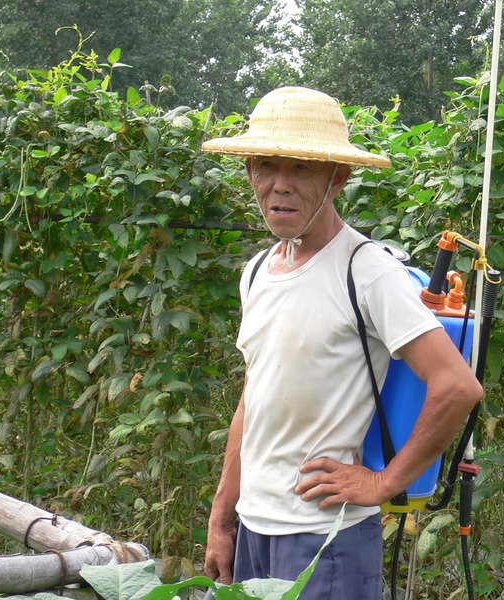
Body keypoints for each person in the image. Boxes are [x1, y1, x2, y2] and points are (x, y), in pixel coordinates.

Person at [200, 86, 482, 598]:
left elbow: (457, 386)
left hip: (324, 534)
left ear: (339, 178)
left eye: (302, 168)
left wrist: (383, 483)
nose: (279, 186)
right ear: (249, 172)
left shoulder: (367, 271)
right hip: (254, 528)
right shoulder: (259, 270)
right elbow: (254, 394)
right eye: (266, 165)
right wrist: (223, 516)